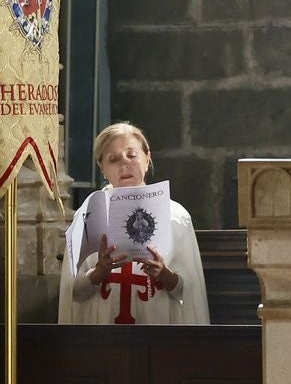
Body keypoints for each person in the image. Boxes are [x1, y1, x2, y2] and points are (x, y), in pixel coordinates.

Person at [59, 122, 210, 325]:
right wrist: (98, 272)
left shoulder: (176, 217)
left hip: (157, 331)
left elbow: (190, 294)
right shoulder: (86, 217)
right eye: (113, 159)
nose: (124, 164)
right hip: (102, 334)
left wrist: (164, 273)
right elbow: (73, 294)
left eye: (132, 155)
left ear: (147, 158)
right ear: (102, 168)